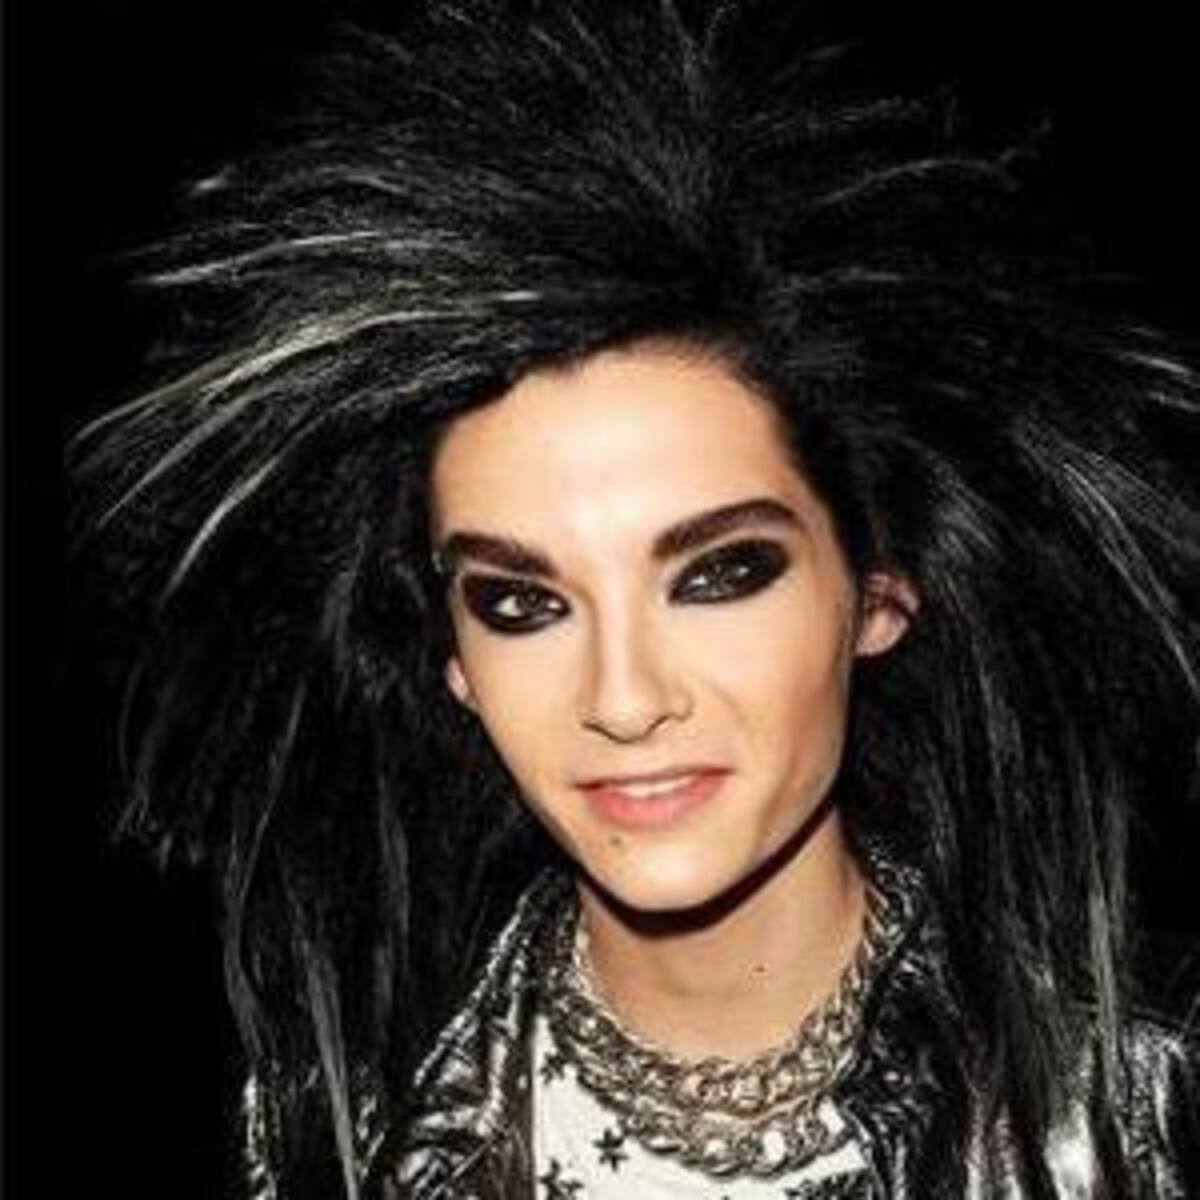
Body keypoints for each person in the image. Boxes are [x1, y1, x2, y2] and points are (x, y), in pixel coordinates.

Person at [68, 1, 1199, 1196]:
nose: (623, 698)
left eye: (719, 574)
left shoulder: (1139, 1111)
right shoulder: (333, 1133)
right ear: (455, 661)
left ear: (877, 595)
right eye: (521, 603)